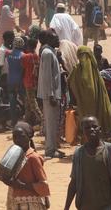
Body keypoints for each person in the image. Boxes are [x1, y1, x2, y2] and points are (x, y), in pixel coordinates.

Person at [64, 116, 111, 210]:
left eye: (94, 126)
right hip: (85, 205)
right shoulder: (79, 154)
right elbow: (74, 182)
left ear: (100, 129)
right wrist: (66, 207)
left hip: (107, 204)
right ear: (83, 132)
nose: (91, 129)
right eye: (87, 128)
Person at [67, 46, 111, 134]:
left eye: (85, 56)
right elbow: (71, 83)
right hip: (85, 101)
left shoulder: (92, 70)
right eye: (81, 56)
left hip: (89, 101)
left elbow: (70, 82)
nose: (84, 59)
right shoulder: (80, 69)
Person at [3, 121, 50, 210]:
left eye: (21, 137)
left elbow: (43, 185)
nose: (17, 140)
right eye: (15, 137)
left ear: (29, 137)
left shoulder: (33, 158)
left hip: (31, 204)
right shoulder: (13, 156)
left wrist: (21, 185)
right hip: (14, 201)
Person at [37, 29, 64, 159]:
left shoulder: (51, 52)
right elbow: (47, 76)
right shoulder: (47, 53)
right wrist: (51, 95)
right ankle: (50, 150)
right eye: (54, 38)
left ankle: (52, 148)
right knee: (51, 122)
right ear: (48, 40)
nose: (57, 40)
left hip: (53, 93)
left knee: (52, 123)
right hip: (50, 95)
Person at [21, 37, 42, 126]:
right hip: (34, 82)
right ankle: (27, 121)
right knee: (28, 103)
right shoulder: (36, 56)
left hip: (28, 82)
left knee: (33, 104)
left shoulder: (26, 56)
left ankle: (42, 121)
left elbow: (22, 67)